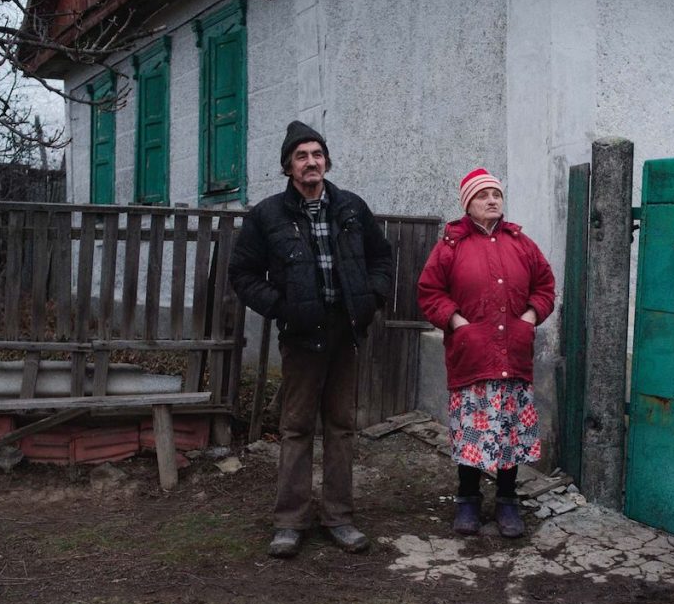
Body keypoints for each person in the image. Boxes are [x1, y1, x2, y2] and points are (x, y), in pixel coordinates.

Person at [229, 121, 393, 558]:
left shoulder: (352, 209)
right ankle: (290, 521)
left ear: (327, 161)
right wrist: (282, 307)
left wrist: (372, 297)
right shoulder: (267, 216)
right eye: (301, 156)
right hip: (302, 336)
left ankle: (339, 517)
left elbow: (382, 258)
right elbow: (242, 275)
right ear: (288, 166)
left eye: (317, 154)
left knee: (340, 427)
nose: (311, 162)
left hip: (346, 333)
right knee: (297, 427)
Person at [417, 168, 555, 538]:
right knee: (472, 433)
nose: (493, 200)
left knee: (509, 430)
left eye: (496, 194)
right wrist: (458, 324)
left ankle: (508, 501)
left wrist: (529, 318)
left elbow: (545, 285)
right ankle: (467, 500)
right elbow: (430, 293)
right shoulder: (450, 245)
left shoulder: (521, 244)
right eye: (483, 195)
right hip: (473, 355)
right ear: (468, 204)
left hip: (513, 355)